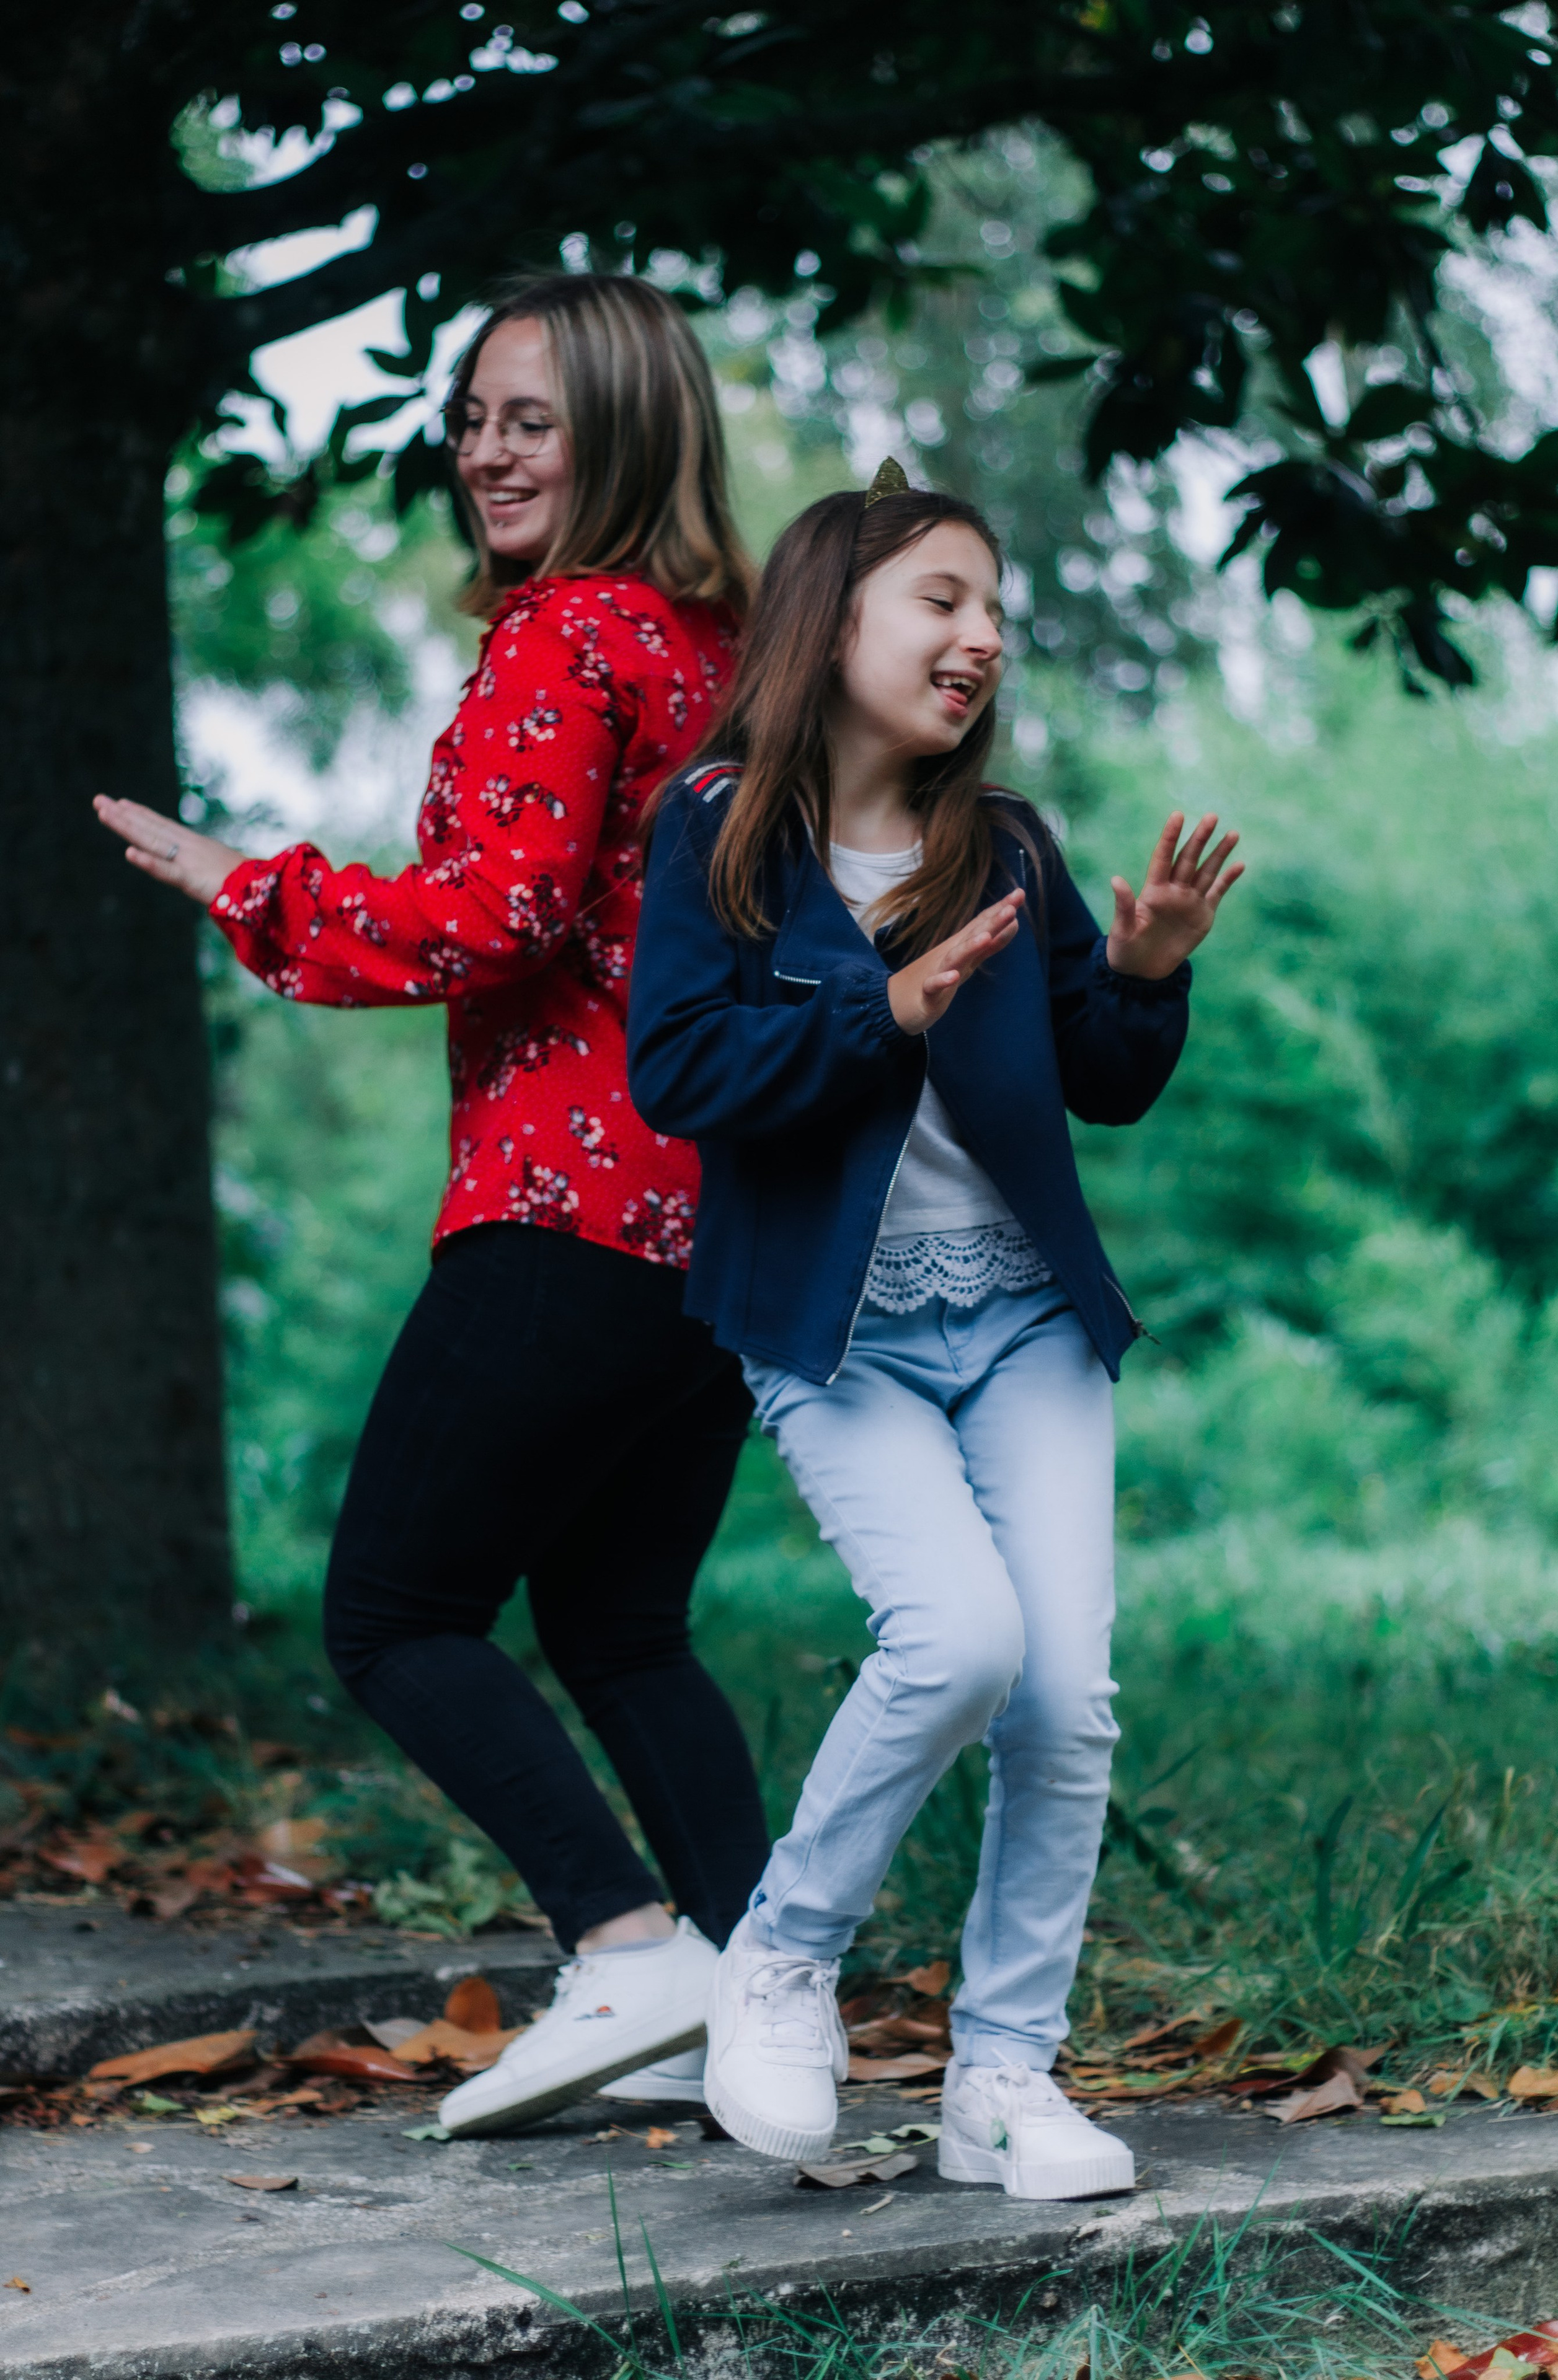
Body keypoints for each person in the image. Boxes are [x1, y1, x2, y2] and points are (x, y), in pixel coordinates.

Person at [94, 273, 773, 2138]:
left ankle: (629, 1952)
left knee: (393, 1612)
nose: (482, 450)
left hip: (569, 1200)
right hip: (718, 1226)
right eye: (472, 418)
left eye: (528, 420)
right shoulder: (725, 655)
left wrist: (253, 886)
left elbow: (496, 915)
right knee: (623, 1626)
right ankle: (763, 2009)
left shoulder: (573, 634)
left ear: (623, 433)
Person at [627, 468, 1242, 2198]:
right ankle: (781, 1957)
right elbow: (678, 1069)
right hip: (840, 1337)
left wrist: (1149, 974)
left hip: (1027, 1320)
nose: (979, 640)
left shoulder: (1010, 847)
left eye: (994, 614)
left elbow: (1101, 1080)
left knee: (1064, 1703)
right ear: (831, 620)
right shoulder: (719, 830)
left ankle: (1004, 2077)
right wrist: (878, 1008)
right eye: (942, 601)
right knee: (957, 1641)